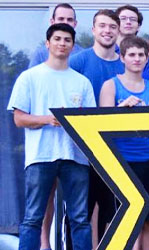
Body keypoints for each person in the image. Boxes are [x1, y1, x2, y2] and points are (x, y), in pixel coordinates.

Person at [8, 23, 94, 250]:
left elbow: (91, 122)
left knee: (80, 220)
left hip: (75, 157)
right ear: (47, 43)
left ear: (73, 45)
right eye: (57, 39)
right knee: (33, 217)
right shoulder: (29, 77)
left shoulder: (82, 82)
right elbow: (19, 119)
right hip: (40, 156)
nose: (62, 43)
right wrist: (49, 119)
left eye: (67, 40)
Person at [97, 36, 149, 250]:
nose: (137, 59)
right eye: (132, 55)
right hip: (120, 163)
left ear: (147, 58)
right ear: (122, 58)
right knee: (121, 219)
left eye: (141, 55)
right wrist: (121, 109)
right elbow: (100, 125)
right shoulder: (111, 85)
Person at [68, 9, 124, 244]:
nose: (107, 31)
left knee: (112, 214)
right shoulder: (79, 61)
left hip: (117, 149)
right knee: (81, 212)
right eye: (102, 26)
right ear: (93, 30)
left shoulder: (125, 63)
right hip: (82, 149)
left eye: (112, 26)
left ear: (118, 31)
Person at [28, 3, 83, 68]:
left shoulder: (82, 56)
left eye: (69, 20)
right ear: (52, 22)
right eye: (61, 19)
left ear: (75, 24)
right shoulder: (40, 54)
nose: (65, 22)